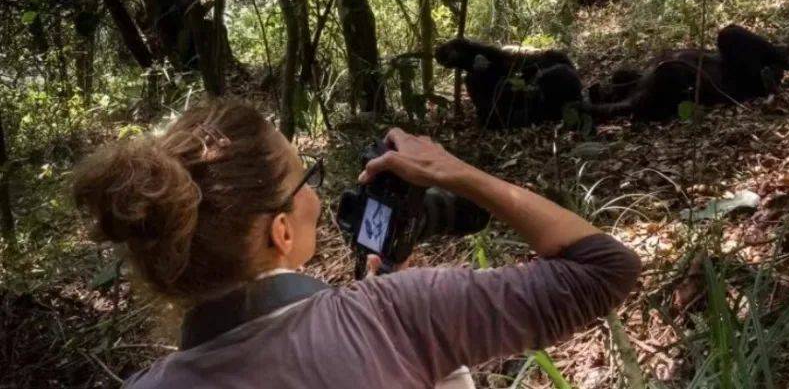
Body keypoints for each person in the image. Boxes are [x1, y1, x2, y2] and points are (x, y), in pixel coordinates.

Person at [72, 99, 641, 388]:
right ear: (281, 231)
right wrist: (452, 171)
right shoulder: (394, 317)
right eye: (306, 180)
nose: (318, 196)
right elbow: (603, 268)